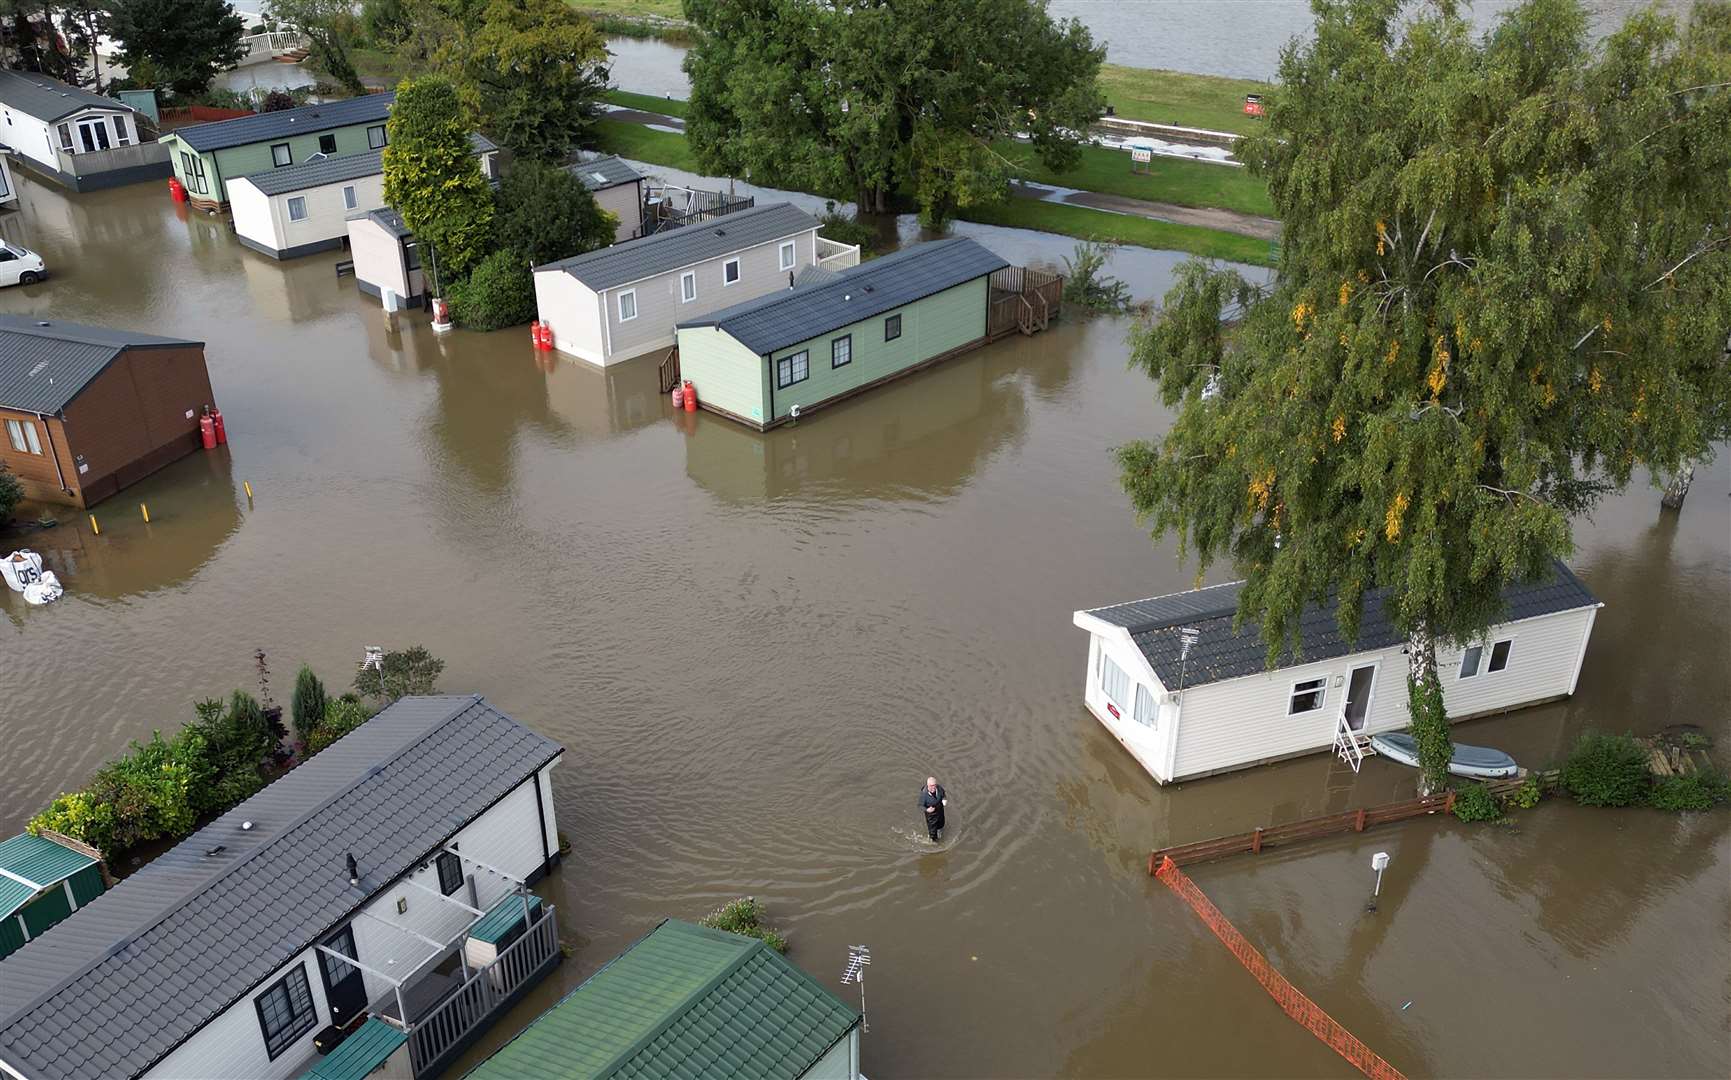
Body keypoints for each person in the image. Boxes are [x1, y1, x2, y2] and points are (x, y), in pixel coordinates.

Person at [919, 776, 947, 842]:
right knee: (933, 833)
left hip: (940, 810)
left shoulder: (939, 788)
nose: (933, 787)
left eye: (934, 785)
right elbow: (920, 805)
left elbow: (943, 794)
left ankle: (939, 831)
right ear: (928, 785)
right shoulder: (924, 794)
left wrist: (944, 799)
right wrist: (927, 810)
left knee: (941, 824)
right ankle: (933, 842)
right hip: (931, 815)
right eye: (931, 786)